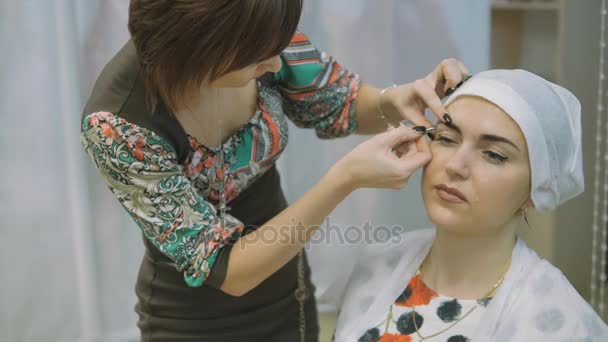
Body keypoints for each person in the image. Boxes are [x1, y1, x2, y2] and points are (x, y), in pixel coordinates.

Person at [79, 0, 469, 341]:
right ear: (200, 47)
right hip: (190, 321)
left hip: (289, 299)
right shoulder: (118, 125)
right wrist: (344, 179)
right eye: (259, 57)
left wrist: (397, 99)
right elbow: (228, 269)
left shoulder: (259, 33)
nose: (277, 63)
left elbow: (341, 104)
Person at [334, 69, 608, 341]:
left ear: (537, 189)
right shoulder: (378, 264)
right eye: (446, 139)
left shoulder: (558, 322)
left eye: (493, 155)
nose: (455, 166)